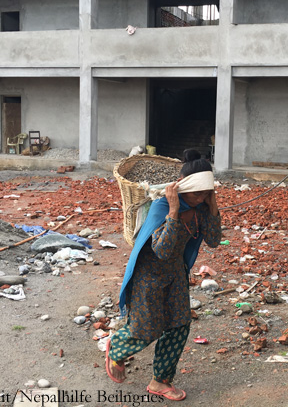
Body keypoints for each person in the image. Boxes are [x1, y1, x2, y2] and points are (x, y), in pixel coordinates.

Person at [106, 149, 221, 401]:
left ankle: (161, 381)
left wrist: (212, 206)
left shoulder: (202, 207)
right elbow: (163, 250)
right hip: (149, 276)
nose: (200, 198)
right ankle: (116, 349)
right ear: (181, 188)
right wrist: (173, 211)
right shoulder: (161, 207)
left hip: (176, 275)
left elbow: (213, 240)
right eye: (197, 193)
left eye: (205, 193)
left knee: (179, 326)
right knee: (146, 328)